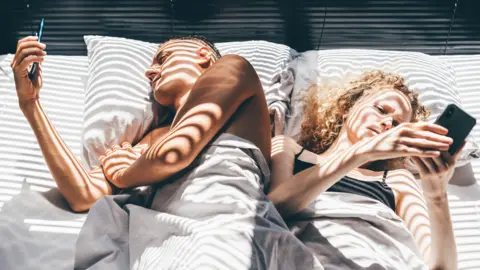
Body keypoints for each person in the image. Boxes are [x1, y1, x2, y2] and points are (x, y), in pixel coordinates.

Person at [12, 35, 320, 269]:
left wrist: (129, 172)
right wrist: (31, 106)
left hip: (228, 231)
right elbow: (82, 194)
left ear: (202, 56)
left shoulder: (234, 70)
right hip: (162, 244)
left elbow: (174, 155)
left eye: (163, 57)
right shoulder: (153, 138)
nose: (150, 70)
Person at [268, 71, 460, 270]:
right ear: (347, 107)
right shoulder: (290, 149)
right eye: (381, 110)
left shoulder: (397, 180)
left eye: (396, 124)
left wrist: (437, 196)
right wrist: (362, 152)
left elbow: (441, 267)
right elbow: (273, 209)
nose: (387, 123)